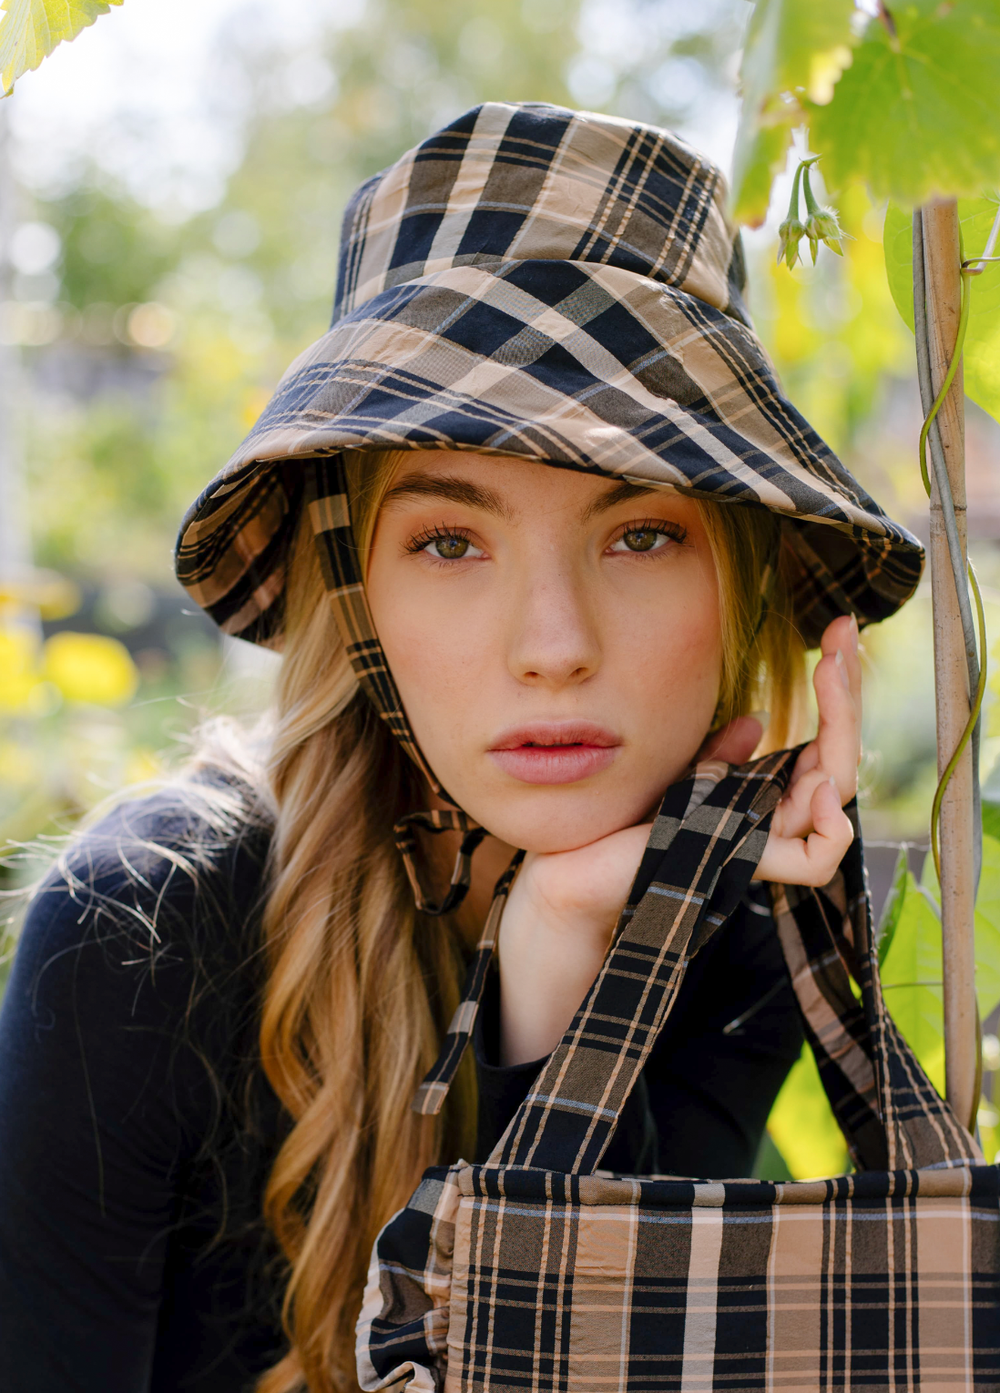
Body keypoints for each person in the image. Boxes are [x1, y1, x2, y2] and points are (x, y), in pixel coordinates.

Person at [0, 103, 922, 1393]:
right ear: (357, 588)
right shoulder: (149, 931)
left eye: (642, 534)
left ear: (744, 585)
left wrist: (563, 971)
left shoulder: (745, 930)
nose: (552, 645)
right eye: (450, 541)